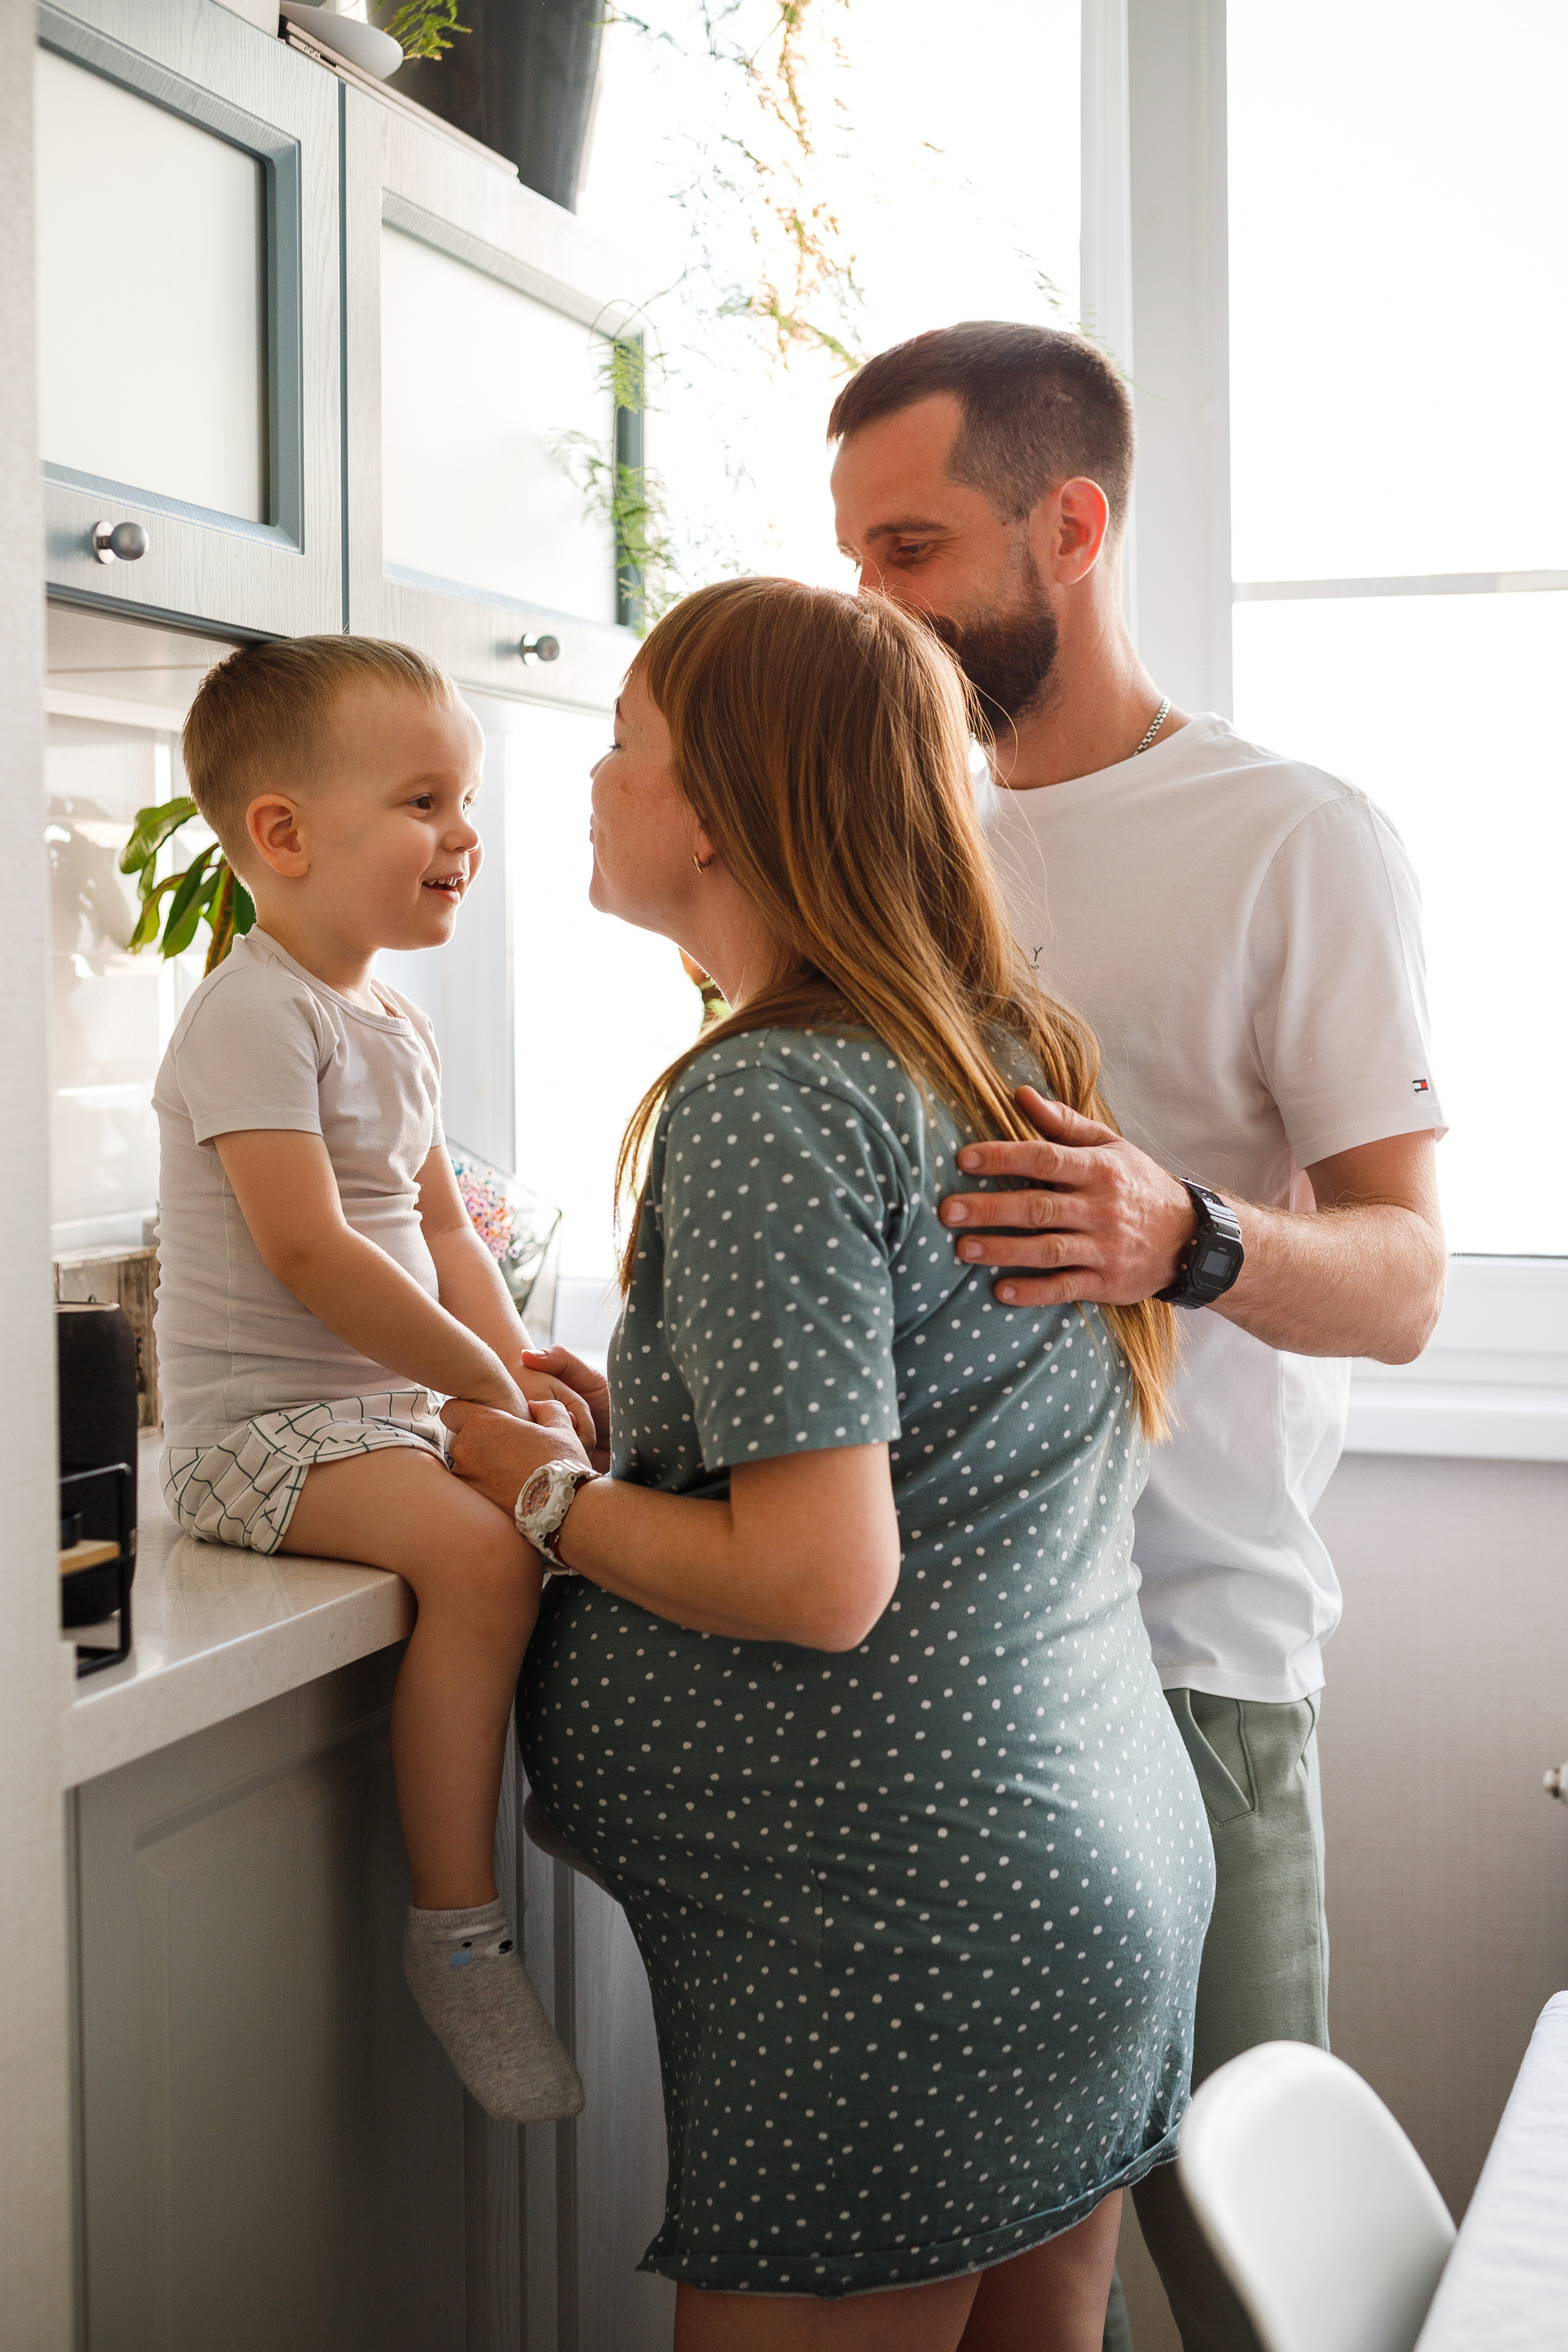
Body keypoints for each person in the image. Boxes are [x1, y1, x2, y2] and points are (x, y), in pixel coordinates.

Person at [445, 575, 1215, 2352]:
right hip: (1073, 1870)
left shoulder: (770, 1098)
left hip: (905, 1946)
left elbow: (818, 1575)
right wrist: (636, 1446)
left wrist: (543, 1497)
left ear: (718, 800)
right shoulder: (997, 1048)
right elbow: (940, 1454)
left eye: (624, 740)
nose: (590, 775)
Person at [826, 323, 1448, 2351]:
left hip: (1193, 1664)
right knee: (1002, 2276)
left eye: (911, 548)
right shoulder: (896, 846)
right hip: (934, 1673)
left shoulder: (1293, 837)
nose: (872, 605)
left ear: (1069, 528)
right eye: (851, 555)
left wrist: (1182, 1236)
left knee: (1245, 2262)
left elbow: (1409, 1280)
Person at [151, 635, 590, 2125]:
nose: (464, 833)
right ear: (280, 834)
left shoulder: (392, 1019)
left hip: (373, 1421)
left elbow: (444, 1231)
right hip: (254, 1439)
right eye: (423, 799)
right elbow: (313, 1255)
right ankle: (455, 1935)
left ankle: (541, 1830)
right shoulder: (249, 1012)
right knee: (488, 1552)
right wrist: (479, 1388)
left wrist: (514, 1368)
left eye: (463, 798)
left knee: (564, 1501)